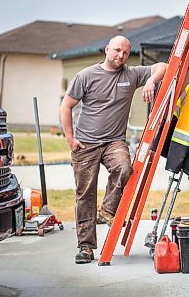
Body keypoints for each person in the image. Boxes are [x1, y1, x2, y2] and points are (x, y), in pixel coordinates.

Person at [59, 36, 167, 264]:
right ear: (108, 49)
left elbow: (163, 67)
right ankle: (86, 247)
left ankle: (107, 210)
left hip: (114, 142)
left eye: (126, 53)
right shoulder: (86, 76)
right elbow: (66, 106)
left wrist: (150, 82)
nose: (121, 56)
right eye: (117, 50)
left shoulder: (132, 74)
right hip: (86, 144)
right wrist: (70, 139)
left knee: (125, 167)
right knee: (85, 195)